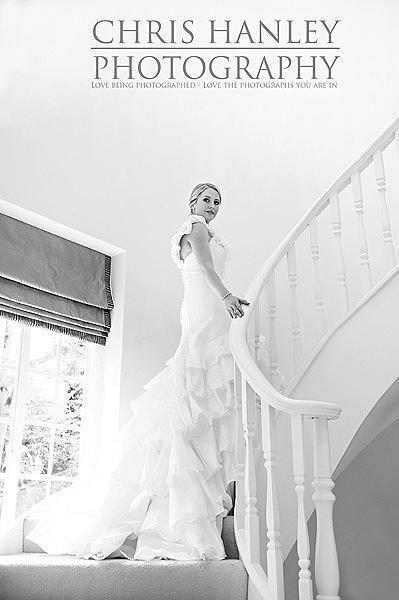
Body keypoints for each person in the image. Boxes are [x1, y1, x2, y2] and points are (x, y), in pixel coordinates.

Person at [18, 183, 250, 561]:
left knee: (200, 393)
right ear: (193, 203)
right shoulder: (194, 226)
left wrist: (223, 299)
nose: (212, 206)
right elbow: (205, 265)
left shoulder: (204, 229)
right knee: (194, 385)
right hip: (207, 308)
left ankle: (194, 497)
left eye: (218, 202)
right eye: (207, 199)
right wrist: (226, 297)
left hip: (207, 308)